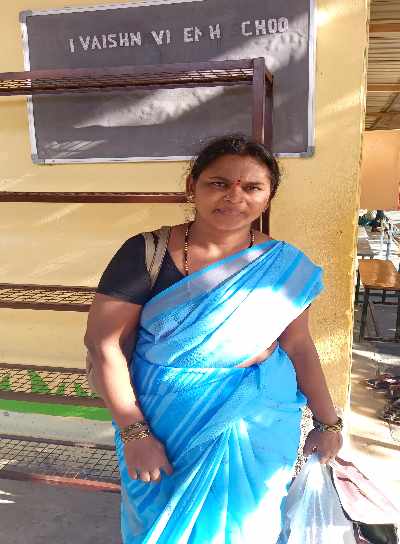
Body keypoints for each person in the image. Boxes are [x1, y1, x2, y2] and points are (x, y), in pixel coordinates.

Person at [84, 134, 343, 543]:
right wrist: (135, 433)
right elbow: (104, 344)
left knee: (250, 524)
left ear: (269, 196)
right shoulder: (146, 253)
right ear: (193, 186)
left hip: (259, 422)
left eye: (252, 187)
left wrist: (328, 422)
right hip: (163, 423)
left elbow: (298, 345)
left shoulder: (285, 264)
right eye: (219, 183)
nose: (234, 197)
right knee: (160, 524)